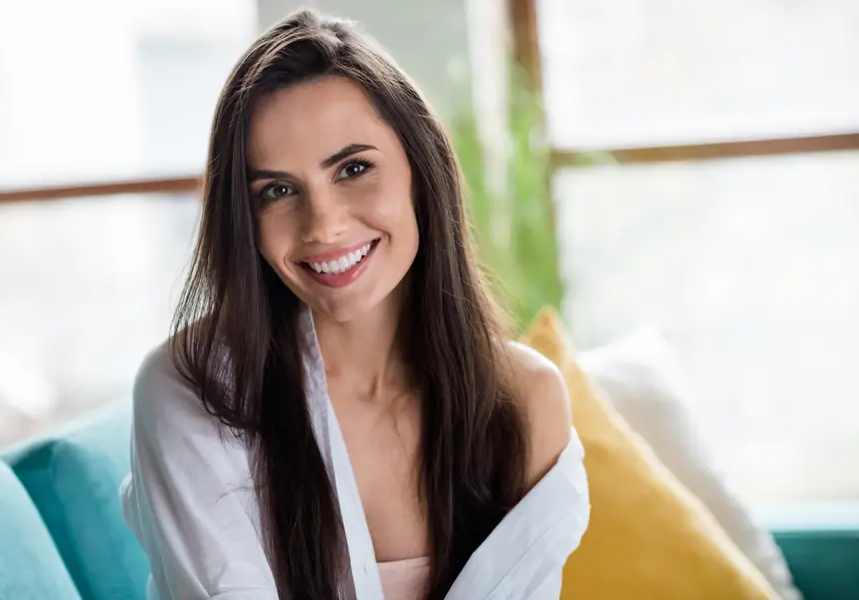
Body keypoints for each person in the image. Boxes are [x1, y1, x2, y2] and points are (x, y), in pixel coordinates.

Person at [119, 9, 589, 600]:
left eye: (354, 168)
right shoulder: (194, 391)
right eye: (278, 190)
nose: (324, 224)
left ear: (421, 170)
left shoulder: (523, 399)